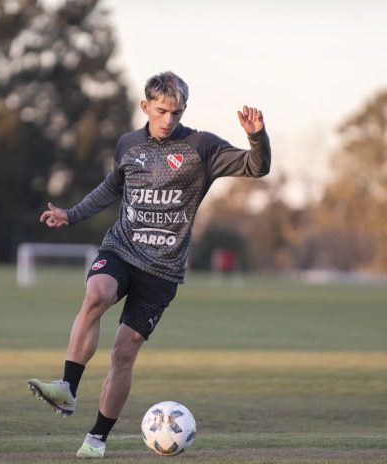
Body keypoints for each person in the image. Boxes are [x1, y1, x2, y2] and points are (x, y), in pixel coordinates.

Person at [28, 71, 271, 459]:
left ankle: (96, 440)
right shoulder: (128, 144)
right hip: (122, 247)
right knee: (97, 293)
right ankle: (68, 388)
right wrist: (71, 215)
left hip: (163, 271)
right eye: (161, 111)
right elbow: (112, 186)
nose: (168, 120)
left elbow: (256, 168)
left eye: (176, 112)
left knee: (124, 353)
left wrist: (256, 137)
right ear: (146, 107)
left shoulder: (201, 147)